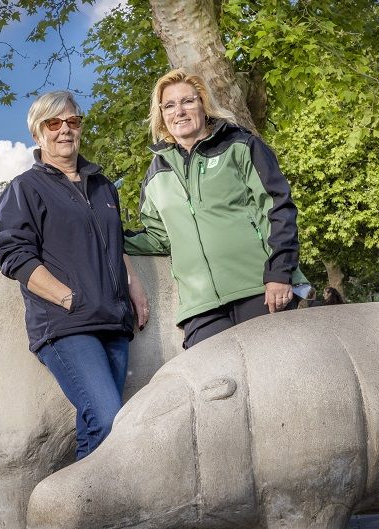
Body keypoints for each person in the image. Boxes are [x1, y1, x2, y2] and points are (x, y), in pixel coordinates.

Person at [0, 90, 149, 460]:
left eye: (72, 121)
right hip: (67, 326)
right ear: (37, 133)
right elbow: (13, 255)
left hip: (112, 322)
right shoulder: (24, 189)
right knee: (108, 419)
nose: (65, 130)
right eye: (53, 123)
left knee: (99, 425)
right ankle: (76, 512)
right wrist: (68, 299)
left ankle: (91, 512)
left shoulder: (102, 186)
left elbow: (114, 242)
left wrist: (135, 288)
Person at [125, 68, 309, 349]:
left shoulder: (241, 146)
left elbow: (278, 209)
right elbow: (159, 238)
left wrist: (279, 274)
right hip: (201, 309)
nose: (180, 112)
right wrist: (109, 237)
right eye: (170, 105)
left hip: (260, 290)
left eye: (188, 101)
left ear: (203, 104)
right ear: (161, 114)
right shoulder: (154, 176)